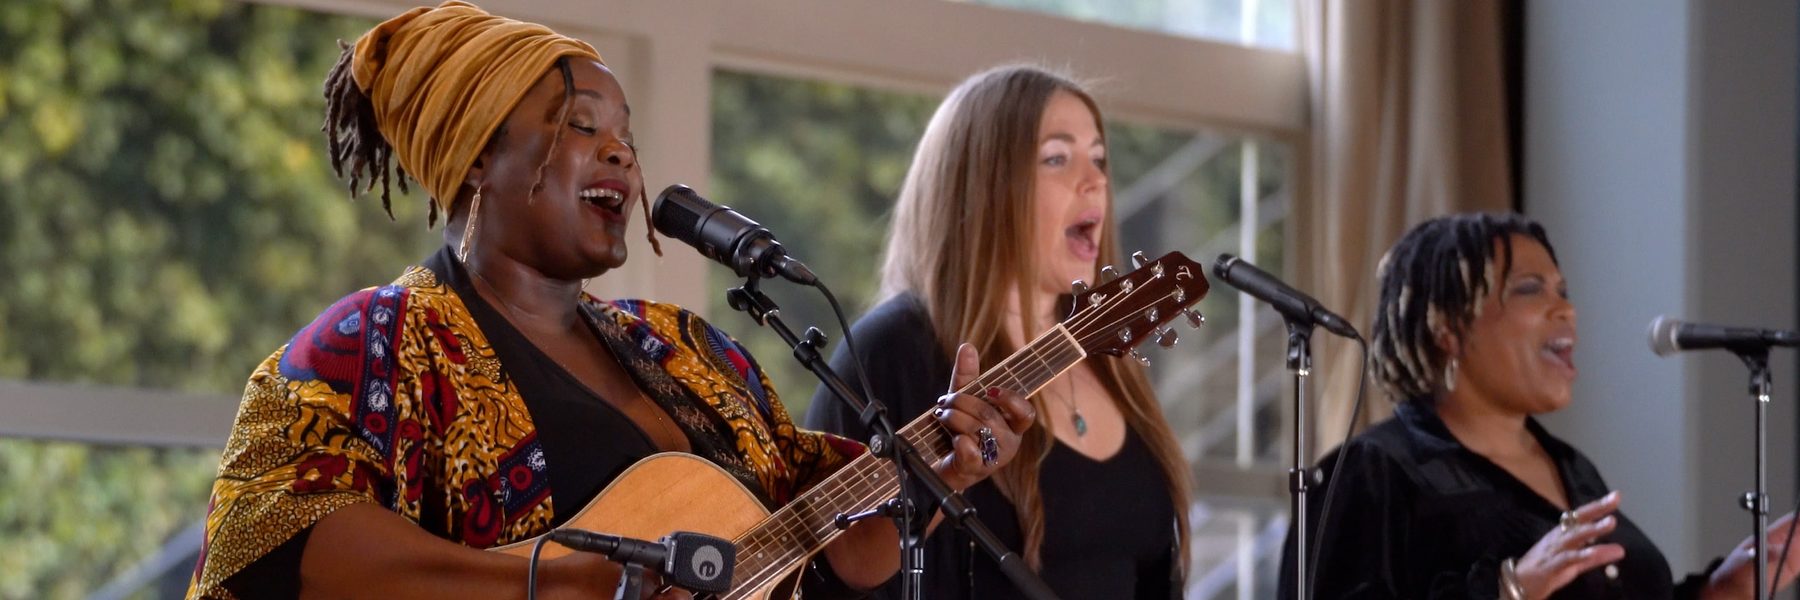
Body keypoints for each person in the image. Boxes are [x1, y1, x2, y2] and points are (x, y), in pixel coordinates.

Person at [184, 3, 1036, 598]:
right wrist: (560, 580)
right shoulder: (377, 340)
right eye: (582, 126)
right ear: (480, 157)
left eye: (626, 136)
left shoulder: (694, 355)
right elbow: (272, 539)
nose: (622, 157)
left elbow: (841, 557)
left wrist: (941, 471)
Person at [804, 64, 1192, 600]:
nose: (1096, 179)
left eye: (1099, 159)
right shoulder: (891, 354)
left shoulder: (1108, 354)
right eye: (1057, 157)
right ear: (983, 185)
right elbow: (833, 571)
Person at [1280, 212, 1800, 599]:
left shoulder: (1574, 470)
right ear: (1448, 331)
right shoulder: (1374, 473)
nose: (1566, 309)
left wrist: (1729, 584)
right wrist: (1511, 588)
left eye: (1564, 290)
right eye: (1530, 289)